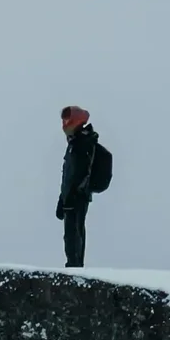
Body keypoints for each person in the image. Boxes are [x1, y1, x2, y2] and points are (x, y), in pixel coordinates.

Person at [57, 104, 107, 266]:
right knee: (70, 232)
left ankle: (75, 265)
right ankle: (73, 263)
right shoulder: (74, 144)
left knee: (75, 231)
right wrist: (62, 198)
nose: (64, 124)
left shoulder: (83, 143)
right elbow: (68, 175)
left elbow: (82, 172)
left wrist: (73, 194)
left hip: (78, 196)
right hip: (71, 196)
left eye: (67, 120)